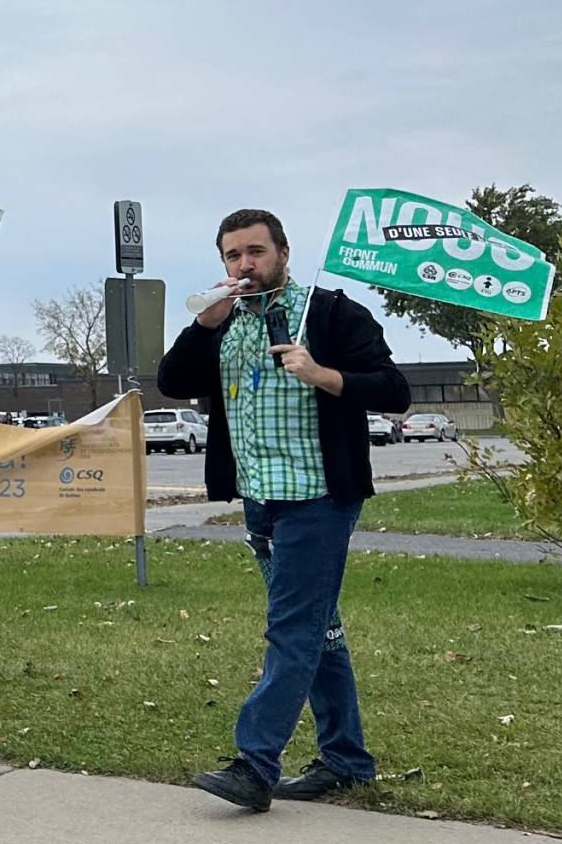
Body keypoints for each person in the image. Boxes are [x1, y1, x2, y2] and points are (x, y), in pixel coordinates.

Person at [159, 208, 410, 811]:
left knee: (293, 630)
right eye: (232, 256)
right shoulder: (223, 322)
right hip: (259, 499)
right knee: (320, 632)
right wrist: (203, 324)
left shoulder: (329, 313)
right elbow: (171, 380)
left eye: (255, 252)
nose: (244, 265)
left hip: (318, 498)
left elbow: (396, 392)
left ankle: (255, 763)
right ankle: (347, 760)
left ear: (283, 252)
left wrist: (322, 374)